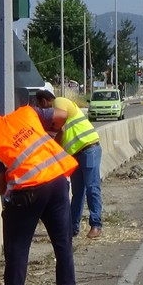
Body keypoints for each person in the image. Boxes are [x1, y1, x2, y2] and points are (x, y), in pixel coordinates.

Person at [0, 104, 78, 285]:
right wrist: (53, 142)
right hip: (57, 182)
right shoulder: (28, 113)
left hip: (28, 194)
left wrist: (8, 178)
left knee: (17, 247)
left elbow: (0, 187)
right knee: (63, 243)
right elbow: (62, 114)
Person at [35, 90, 103, 238]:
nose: (44, 111)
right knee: (78, 192)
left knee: (92, 188)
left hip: (89, 148)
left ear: (45, 101)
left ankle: (96, 225)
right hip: (75, 155)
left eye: (42, 106)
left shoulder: (59, 102)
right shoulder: (54, 115)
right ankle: (73, 228)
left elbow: (61, 130)